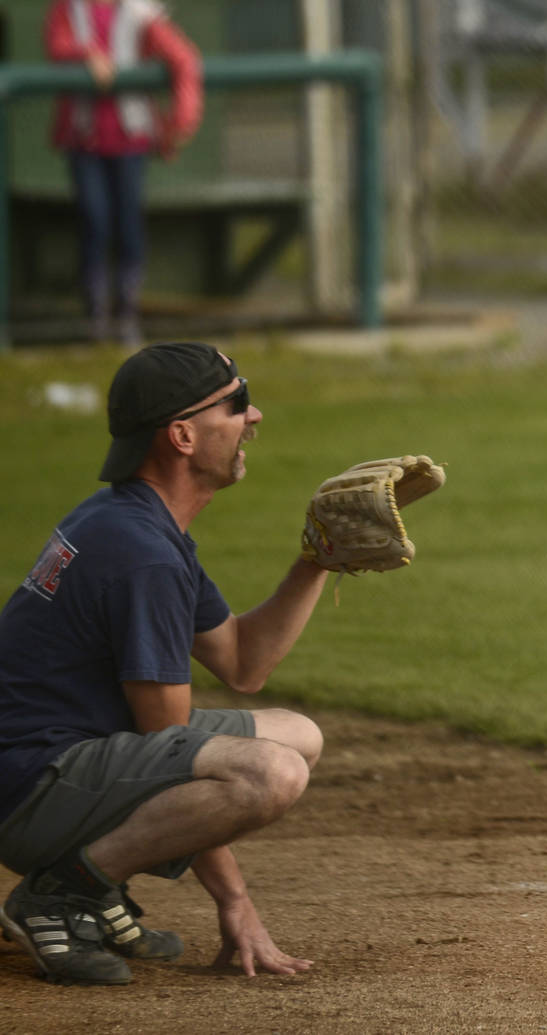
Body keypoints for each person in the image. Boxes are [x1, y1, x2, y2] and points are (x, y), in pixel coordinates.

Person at [0, 343, 329, 985]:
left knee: (298, 733)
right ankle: (65, 891)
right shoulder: (141, 553)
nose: (253, 416)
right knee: (270, 774)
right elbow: (166, 740)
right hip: (29, 787)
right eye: (234, 404)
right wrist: (235, 901)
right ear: (182, 435)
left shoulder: (136, 522)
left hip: (57, 753)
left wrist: (317, 560)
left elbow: (241, 663)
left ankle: (94, 881)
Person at [43, 0, 203, 347]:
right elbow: (57, 45)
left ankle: (127, 311)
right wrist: (86, 55)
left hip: (130, 139)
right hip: (84, 138)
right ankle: (95, 313)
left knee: (128, 223)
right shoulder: (66, 9)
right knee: (94, 221)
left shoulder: (140, 10)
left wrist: (182, 120)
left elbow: (183, 59)